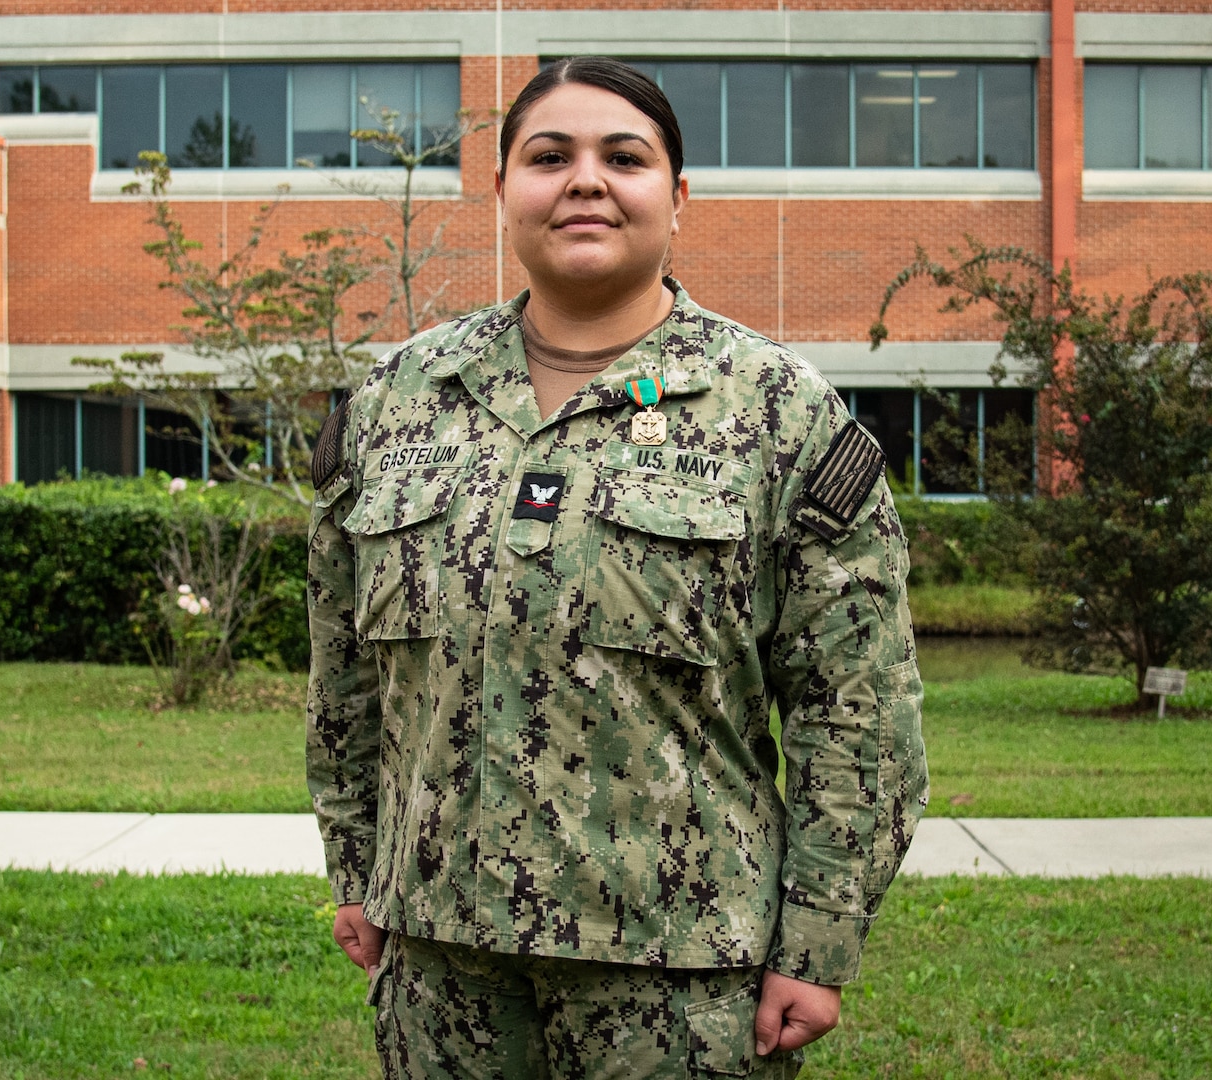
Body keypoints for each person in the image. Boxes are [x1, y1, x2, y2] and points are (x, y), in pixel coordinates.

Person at [306, 56, 927, 1079]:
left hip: (683, 977)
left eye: (623, 157)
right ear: (502, 189)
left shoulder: (776, 411)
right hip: (443, 969)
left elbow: (856, 709)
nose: (585, 180)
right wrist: (355, 870)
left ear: (677, 199)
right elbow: (343, 675)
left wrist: (817, 945)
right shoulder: (396, 402)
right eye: (549, 157)